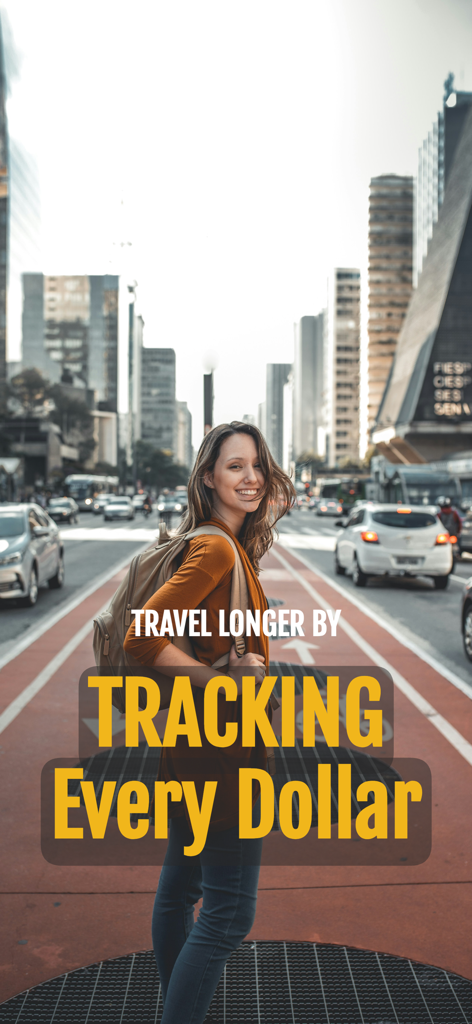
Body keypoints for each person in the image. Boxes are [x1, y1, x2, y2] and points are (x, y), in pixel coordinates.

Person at [124, 421, 295, 1024]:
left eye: (256, 466)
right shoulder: (218, 547)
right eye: (234, 467)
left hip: (192, 747)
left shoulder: (224, 544)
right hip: (223, 755)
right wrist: (222, 681)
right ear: (208, 478)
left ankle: (175, 1005)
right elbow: (142, 635)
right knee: (227, 915)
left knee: (180, 892)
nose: (250, 478)